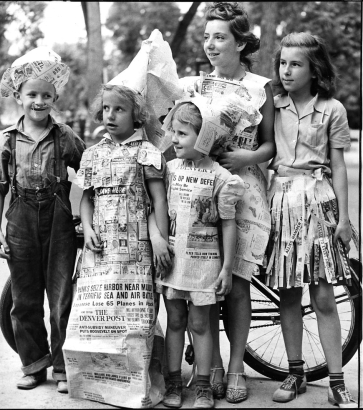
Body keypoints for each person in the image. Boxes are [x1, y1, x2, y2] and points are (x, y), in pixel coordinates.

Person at [174, 2, 275, 403]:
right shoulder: (195, 85)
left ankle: (235, 367)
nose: (211, 45)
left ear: (240, 42)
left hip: (244, 188)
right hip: (199, 187)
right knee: (202, 280)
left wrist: (247, 158)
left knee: (234, 284)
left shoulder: (259, 86)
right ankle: (209, 364)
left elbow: (269, 143)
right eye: (207, 37)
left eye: (220, 37)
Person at [0, 46, 85, 393]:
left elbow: (89, 172)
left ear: (55, 96)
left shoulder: (66, 136)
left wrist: (87, 215)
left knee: (61, 298)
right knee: (24, 299)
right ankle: (33, 365)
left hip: (58, 219)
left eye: (46, 95)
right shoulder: (8, 139)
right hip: (20, 219)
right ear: (18, 96)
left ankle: (61, 368)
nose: (39, 101)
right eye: (32, 94)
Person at [266, 32, 358, 408]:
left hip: (318, 203)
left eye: (296, 64)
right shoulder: (271, 106)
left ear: (314, 69)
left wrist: (344, 217)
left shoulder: (332, 109)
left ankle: (336, 380)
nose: (287, 71)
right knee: (287, 293)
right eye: (283, 63)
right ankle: (295, 370)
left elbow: (337, 165)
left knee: (322, 294)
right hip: (281, 200)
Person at [65, 84, 168, 408]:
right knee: (102, 313)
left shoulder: (147, 152)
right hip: (101, 247)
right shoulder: (93, 153)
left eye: (119, 109)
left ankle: (140, 383)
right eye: (106, 108)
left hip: (137, 247)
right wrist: (88, 226)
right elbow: (86, 199)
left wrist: (160, 240)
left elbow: (158, 200)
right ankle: (101, 381)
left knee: (137, 316)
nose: (110, 115)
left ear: (136, 114)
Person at [150, 100, 246, 409]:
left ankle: (203, 385)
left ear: (204, 137)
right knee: (175, 320)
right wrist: (157, 239)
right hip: (173, 263)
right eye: (173, 132)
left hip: (205, 266)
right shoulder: (169, 171)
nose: (174, 139)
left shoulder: (222, 178)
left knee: (202, 324)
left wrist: (227, 268)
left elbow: (228, 225)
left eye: (182, 134)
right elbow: (155, 208)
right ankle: (174, 381)